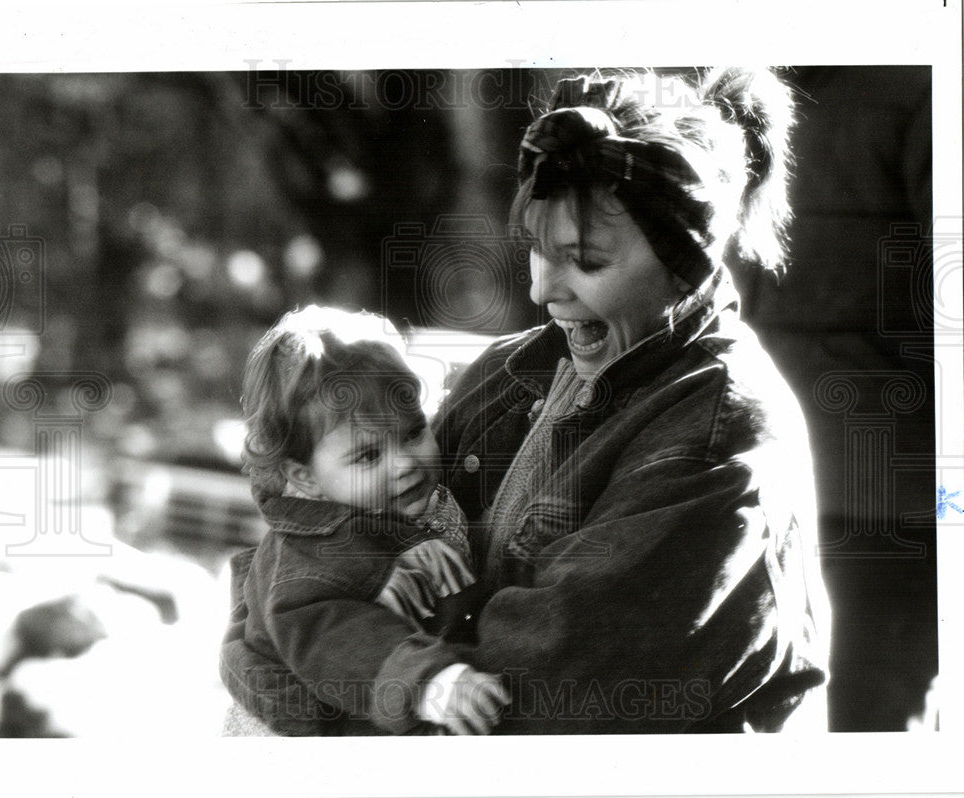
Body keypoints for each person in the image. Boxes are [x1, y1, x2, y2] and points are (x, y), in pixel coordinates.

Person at [223, 66, 832, 734]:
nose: (544, 290)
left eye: (588, 261)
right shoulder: (510, 371)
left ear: (685, 262)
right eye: (537, 251)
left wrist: (301, 692)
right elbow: (312, 566)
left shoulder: (717, 435)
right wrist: (290, 644)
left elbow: (532, 696)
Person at [220, 305, 509, 735]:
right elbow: (335, 637)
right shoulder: (313, 552)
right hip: (308, 724)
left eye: (413, 432)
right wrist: (428, 681)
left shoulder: (399, 507)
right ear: (305, 476)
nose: (405, 464)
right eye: (369, 455)